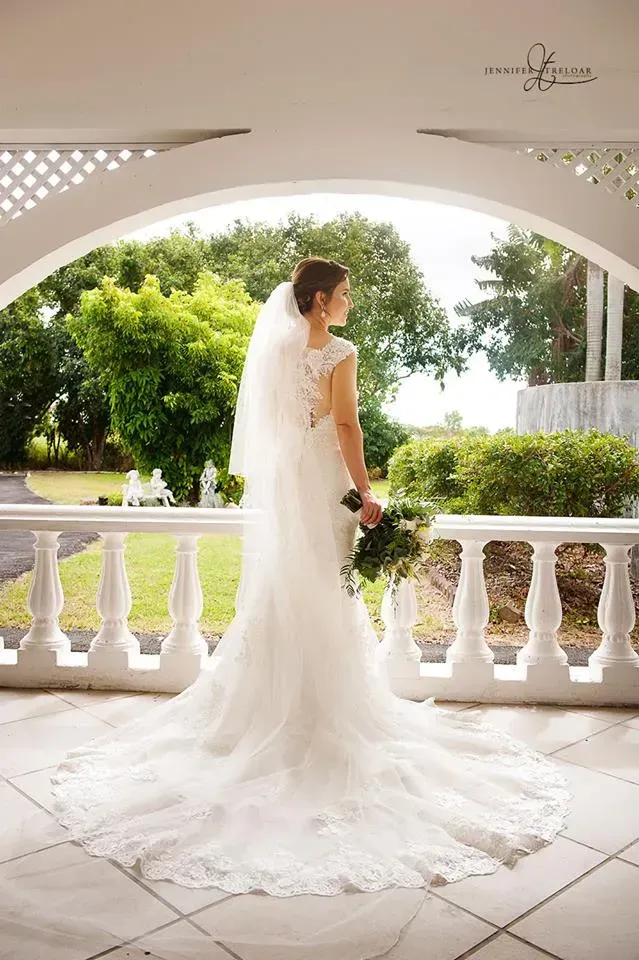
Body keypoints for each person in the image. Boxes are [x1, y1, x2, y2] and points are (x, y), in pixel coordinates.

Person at [50, 257, 570, 903]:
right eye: (345, 293)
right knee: (324, 591)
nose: (351, 303)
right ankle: (323, 716)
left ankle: (267, 711)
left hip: (288, 482)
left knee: (286, 589)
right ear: (320, 300)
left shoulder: (273, 349)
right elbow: (347, 424)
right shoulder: (338, 351)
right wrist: (364, 489)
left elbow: (270, 431)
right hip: (324, 483)